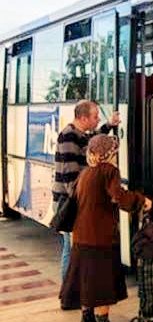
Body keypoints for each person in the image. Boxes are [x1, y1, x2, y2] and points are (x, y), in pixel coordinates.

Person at [59, 135, 152, 322]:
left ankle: (87, 319)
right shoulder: (109, 171)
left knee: (85, 278)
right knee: (101, 279)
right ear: (108, 154)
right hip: (100, 236)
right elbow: (118, 196)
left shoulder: (85, 174)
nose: (116, 156)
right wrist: (141, 200)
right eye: (114, 152)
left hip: (81, 235)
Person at [52, 100, 121, 283]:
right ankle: (68, 292)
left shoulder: (81, 135)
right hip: (69, 201)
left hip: (75, 199)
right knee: (72, 247)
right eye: (95, 116)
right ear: (83, 118)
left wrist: (109, 125)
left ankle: (70, 291)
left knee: (73, 247)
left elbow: (95, 139)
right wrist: (86, 197)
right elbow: (69, 177)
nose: (98, 119)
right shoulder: (69, 136)